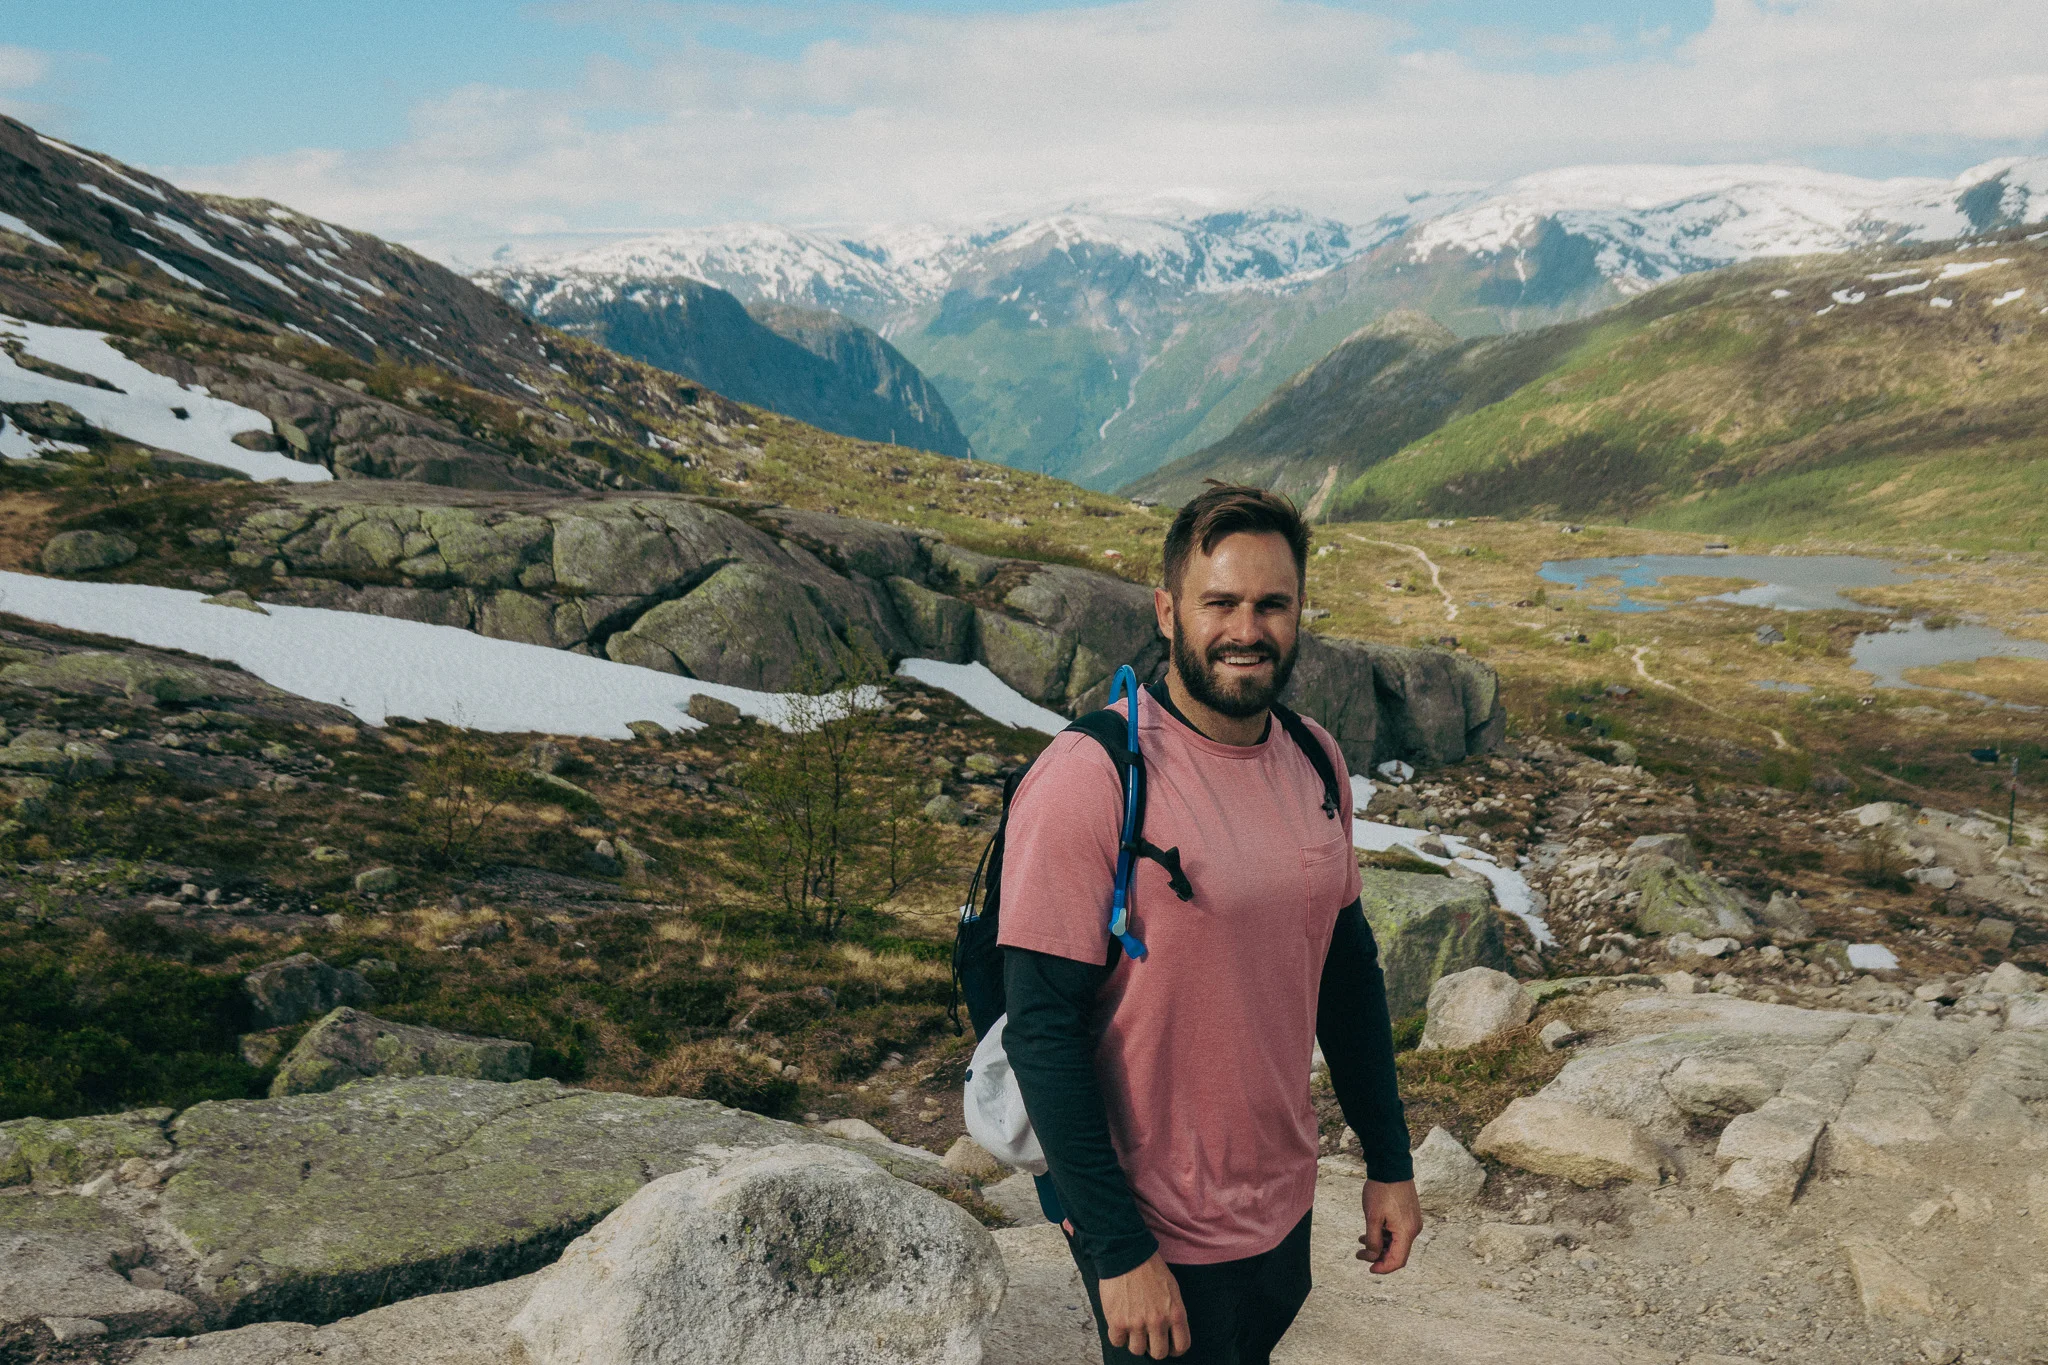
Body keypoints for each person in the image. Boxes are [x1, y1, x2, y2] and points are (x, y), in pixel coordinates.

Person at [997, 482, 1421, 1363]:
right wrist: (1118, 1249)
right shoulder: (1090, 775)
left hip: (1279, 1208)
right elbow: (1041, 1028)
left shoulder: (1315, 757)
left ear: (1300, 612)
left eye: (1272, 603)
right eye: (1219, 602)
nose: (1246, 628)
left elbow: (1345, 975)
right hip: (1153, 1228)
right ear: (1167, 610)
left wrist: (1390, 1159)